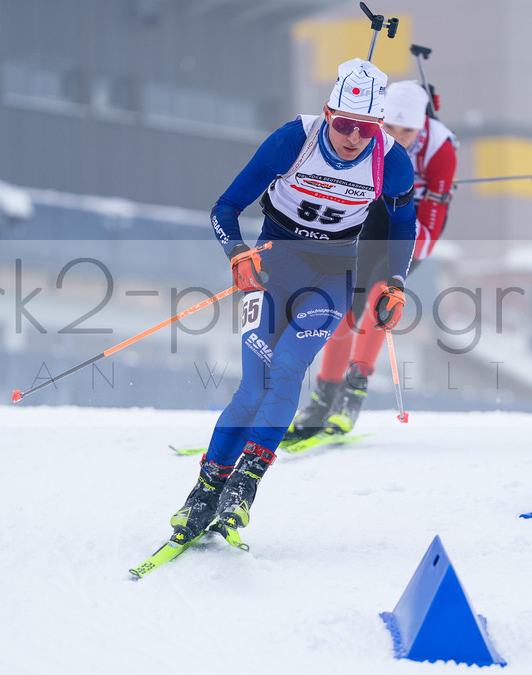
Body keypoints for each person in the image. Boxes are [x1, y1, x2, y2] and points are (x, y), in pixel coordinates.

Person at [167, 58, 418, 547]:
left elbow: (404, 225)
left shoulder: (392, 160)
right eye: (343, 124)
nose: (352, 137)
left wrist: (395, 283)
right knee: (254, 385)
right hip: (270, 273)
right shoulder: (292, 141)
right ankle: (204, 493)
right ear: (328, 113)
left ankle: (243, 487)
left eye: (365, 128)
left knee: (287, 370)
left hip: (331, 280)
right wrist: (236, 254)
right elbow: (225, 207)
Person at [286, 80, 458, 441]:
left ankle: (354, 390)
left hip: (411, 224)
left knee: (382, 293)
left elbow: (431, 223)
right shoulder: (367, 129)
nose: (397, 136)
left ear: (422, 126)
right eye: (389, 128)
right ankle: (323, 397)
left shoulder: (441, 149)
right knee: (345, 299)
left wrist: (401, 260)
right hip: (372, 216)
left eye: (406, 131)